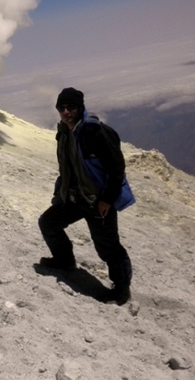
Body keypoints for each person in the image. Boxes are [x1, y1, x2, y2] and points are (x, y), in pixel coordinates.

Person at [38, 87, 133, 305]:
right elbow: (68, 167)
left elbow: (116, 168)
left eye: (70, 107)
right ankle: (64, 262)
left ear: (80, 108)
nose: (66, 111)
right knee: (48, 222)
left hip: (97, 202)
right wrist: (61, 192)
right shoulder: (63, 133)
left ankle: (121, 289)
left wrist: (108, 199)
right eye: (61, 108)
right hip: (74, 198)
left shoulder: (94, 132)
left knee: (108, 248)